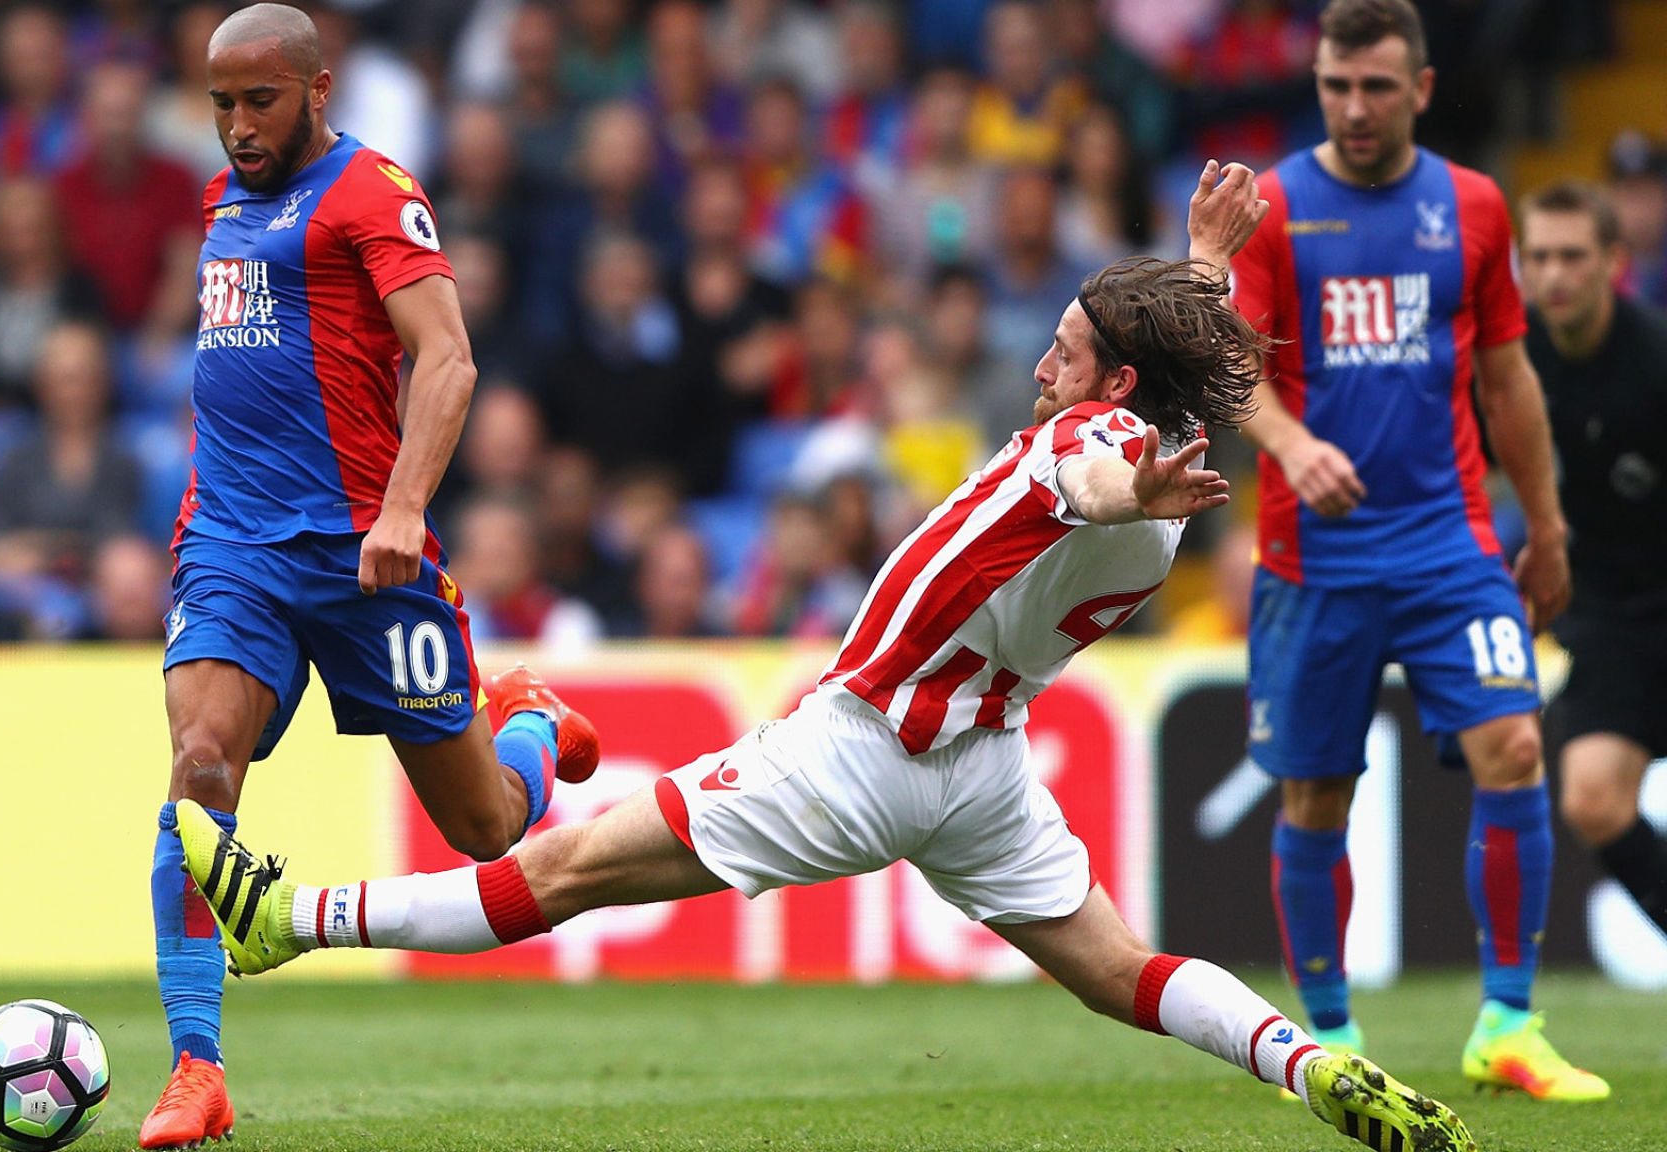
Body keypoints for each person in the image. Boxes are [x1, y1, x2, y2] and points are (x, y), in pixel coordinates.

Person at [175, 162, 1476, 1152]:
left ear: (1116, 388)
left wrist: (1116, 480)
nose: (1043, 363)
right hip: (987, 765)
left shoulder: (1094, 456)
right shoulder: (1151, 473)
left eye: (1069, 352)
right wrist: (1202, 265)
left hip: (864, 746)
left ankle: (293, 920)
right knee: (1116, 969)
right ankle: (1306, 1067)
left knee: (559, 869)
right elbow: (1139, 421)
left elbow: (1090, 465)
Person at [139, 8, 602, 1148]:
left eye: (258, 101)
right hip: (233, 548)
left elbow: (448, 359)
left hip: (364, 557)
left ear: (316, 88)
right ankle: (196, 1068)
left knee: (486, 831)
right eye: (219, 105)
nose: (237, 128)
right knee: (200, 769)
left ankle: (529, 726)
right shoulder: (218, 204)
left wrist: (400, 510)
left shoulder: (372, 191)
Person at [1227, 0, 1605, 1101]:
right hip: (1314, 560)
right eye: (1335, 86)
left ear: (1421, 90)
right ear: (1317, 83)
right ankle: (1330, 1039)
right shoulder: (1273, 210)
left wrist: (1545, 524)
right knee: (1313, 798)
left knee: (1515, 751)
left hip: (1449, 546)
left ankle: (1505, 1023)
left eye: (1375, 88)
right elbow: (1229, 368)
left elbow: (1505, 379)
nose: (1352, 108)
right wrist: (1290, 445)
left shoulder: (1473, 206)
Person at [1518, 181, 1667, 943]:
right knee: (1592, 799)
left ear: (1613, 262)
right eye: (1538, 257)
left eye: (1572, 257)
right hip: (1611, 620)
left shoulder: (1655, 361)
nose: (1554, 276)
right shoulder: (1513, 366)